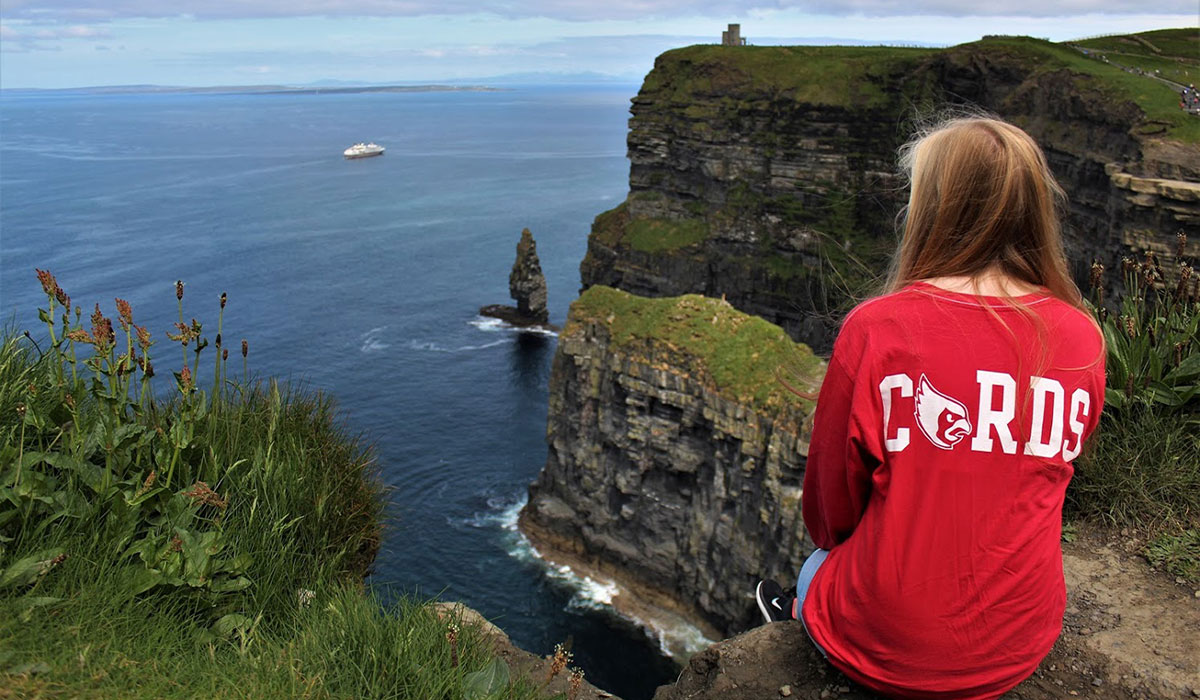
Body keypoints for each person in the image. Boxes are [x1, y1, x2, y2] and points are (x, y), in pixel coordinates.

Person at [755, 115, 1106, 699]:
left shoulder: (878, 329)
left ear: (933, 209)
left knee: (815, 566)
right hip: (1019, 641)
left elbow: (829, 512)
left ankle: (802, 620)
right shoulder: (1081, 338)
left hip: (889, 646)